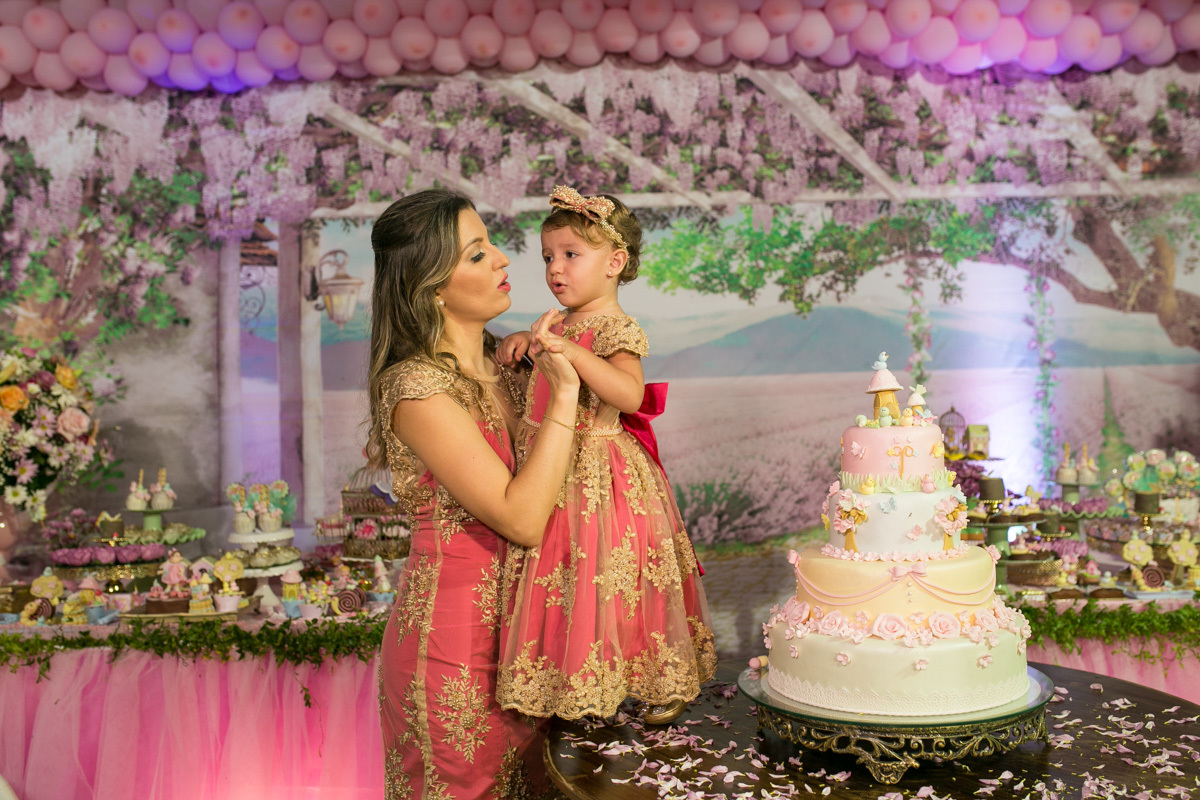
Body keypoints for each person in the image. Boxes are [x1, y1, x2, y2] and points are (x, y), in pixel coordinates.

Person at [368, 189, 581, 800]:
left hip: (533, 639)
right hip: (454, 653)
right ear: (431, 285)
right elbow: (522, 518)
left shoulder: (508, 364)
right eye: (477, 254)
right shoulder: (417, 389)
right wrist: (566, 394)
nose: (502, 260)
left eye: (491, 245)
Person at [495, 186, 717, 725]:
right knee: (564, 579)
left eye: (571, 254)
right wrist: (529, 340)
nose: (555, 268)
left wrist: (570, 351)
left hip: (599, 473)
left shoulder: (616, 327)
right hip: (549, 472)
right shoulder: (558, 322)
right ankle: (570, 678)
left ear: (614, 263)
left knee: (614, 579)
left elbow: (630, 394)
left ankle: (654, 675)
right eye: (548, 256)